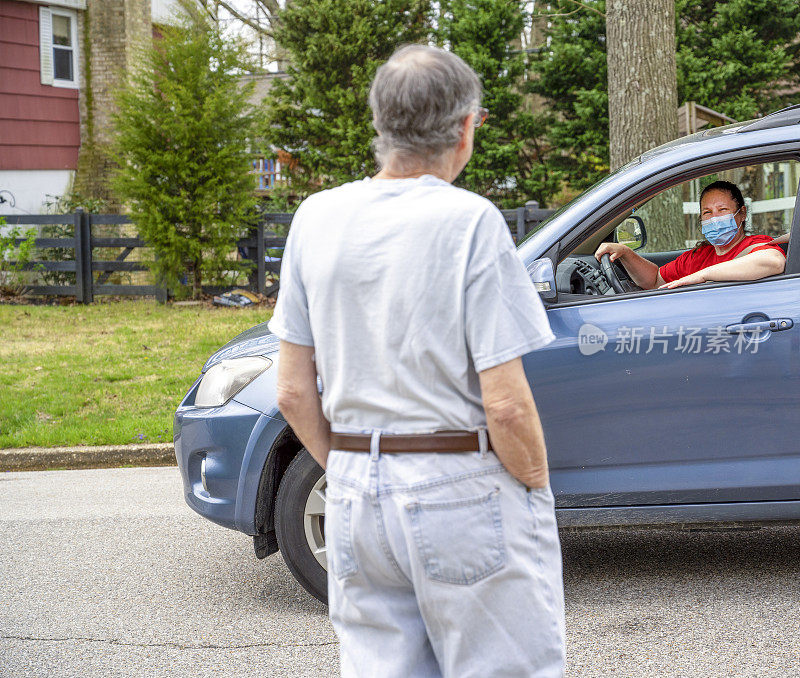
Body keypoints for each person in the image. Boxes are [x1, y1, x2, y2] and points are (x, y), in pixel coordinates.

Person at [268, 45, 565, 677]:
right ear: (465, 127)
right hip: (460, 482)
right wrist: (534, 489)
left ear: (379, 122)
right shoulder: (470, 222)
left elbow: (292, 392)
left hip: (353, 487)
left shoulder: (315, 218)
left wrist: (357, 464)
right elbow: (507, 403)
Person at [594, 180, 786, 290]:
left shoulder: (755, 245)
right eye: (707, 212)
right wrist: (626, 252)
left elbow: (774, 262)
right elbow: (654, 281)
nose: (715, 218)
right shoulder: (698, 257)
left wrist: (703, 276)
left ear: (741, 214)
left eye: (723, 210)